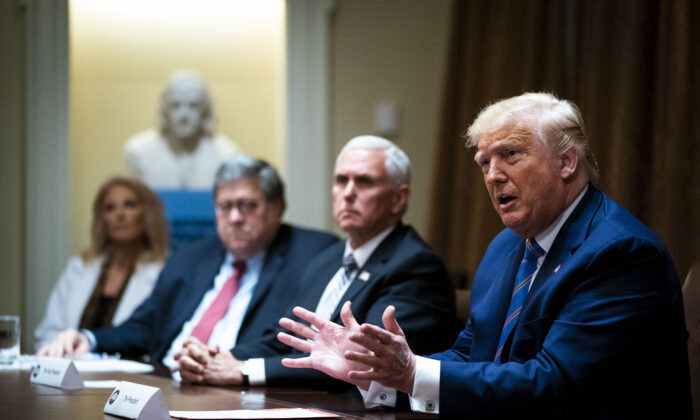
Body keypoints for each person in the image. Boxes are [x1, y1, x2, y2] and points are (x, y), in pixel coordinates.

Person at [277, 93, 692, 418]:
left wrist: (412, 373)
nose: (493, 174)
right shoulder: (507, 245)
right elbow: (469, 355)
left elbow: (554, 385)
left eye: (511, 154)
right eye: (484, 161)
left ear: (567, 161)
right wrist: (378, 374)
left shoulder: (621, 254)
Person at [174, 135, 459, 389]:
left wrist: (246, 370)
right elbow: (284, 338)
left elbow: (358, 362)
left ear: (399, 198)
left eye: (364, 182)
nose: (348, 193)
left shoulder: (416, 265)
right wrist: (215, 358)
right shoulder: (328, 258)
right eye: (341, 180)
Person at [37, 155, 338, 373]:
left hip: (233, 387)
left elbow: (288, 340)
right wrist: (88, 338)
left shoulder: (313, 255)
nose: (234, 217)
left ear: (277, 208)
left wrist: (218, 359)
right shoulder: (191, 257)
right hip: (164, 380)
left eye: (247, 205)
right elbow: (144, 326)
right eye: (225, 207)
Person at [35, 177, 169, 350]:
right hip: (70, 367)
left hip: (129, 374)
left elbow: (149, 336)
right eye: (110, 208)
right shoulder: (79, 268)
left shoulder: (162, 272)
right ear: (102, 219)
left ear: (146, 214)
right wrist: (57, 352)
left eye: (129, 204)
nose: (120, 214)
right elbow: (48, 331)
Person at [124, 70, 238, 189]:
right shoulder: (139, 152)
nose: (184, 115)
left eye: (193, 106)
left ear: (204, 111)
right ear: (165, 109)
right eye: (175, 105)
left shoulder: (226, 154)